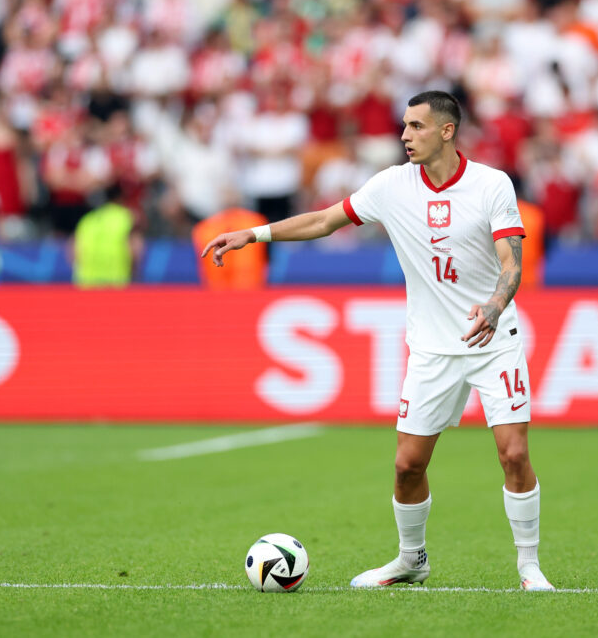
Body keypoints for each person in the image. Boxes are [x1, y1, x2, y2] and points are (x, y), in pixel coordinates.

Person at [201, 91, 554, 592]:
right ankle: (411, 560)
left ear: (447, 131)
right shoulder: (391, 185)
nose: (405, 135)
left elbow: (511, 261)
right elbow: (325, 220)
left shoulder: (490, 184)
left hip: (493, 339)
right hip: (432, 347)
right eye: (404, 126)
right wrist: (254, 235)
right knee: (408, 465)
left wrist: (495, 307)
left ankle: (528, 567)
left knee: (513, 453)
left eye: (416, 126)